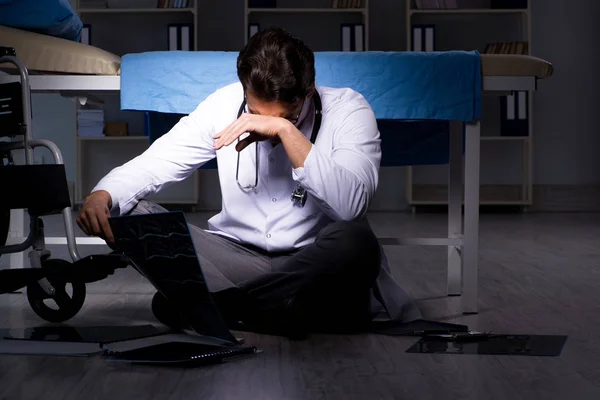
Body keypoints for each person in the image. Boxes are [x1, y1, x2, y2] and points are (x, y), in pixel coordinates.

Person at [76, 27, 420, 338]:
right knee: (132, 212)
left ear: (308, 92)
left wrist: (287, 133)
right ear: (245, 90)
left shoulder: (349, 110)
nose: (266, 126)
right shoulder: (223, 104)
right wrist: (102, 194)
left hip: (311, 265)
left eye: (286, 116)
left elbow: (350, 206)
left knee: (356, 240)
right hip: (237, 261)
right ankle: (274, 313)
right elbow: (158, 162)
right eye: (257, 113)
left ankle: (218, 309)